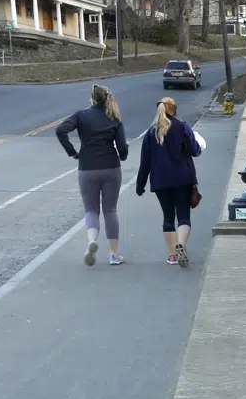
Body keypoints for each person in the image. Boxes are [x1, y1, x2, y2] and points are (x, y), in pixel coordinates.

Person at [56, 84, 129, 266]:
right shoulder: (114, 118)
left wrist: (72, 152)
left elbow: (60, 130)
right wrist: (122, 153)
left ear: (92, 99)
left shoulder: (81, 116)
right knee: (110, 210)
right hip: (111, 167)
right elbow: (123, 151)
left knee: (91, 210)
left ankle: (91, 241)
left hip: (87, 167)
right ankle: (114, 254)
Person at [135, 96, 201, 267]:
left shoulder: (151, 133)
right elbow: (194, 150)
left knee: (168, 216)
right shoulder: (183, 127)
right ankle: (181, 244)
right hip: (183, 179)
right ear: (174, 110)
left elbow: (145, 162)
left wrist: (140, 185)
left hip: (160, 181)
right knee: (184, 216)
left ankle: (172, 255)